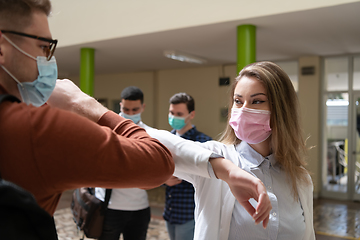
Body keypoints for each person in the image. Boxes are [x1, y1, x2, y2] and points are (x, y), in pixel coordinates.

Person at [0, 0, 175, 217]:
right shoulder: (38, 131)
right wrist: (83, 104)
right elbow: (158, 163)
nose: (47, 59)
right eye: (43, 46)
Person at [146, 61, 315, 240]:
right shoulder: (217, 159)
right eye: (238, 101)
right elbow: (147, 139)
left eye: (257, 101)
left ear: (281, 109)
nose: (243, 110)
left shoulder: (301, 179)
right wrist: (225, 169)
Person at [95, 86, 152, 240]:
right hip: (109, 207)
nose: (130, 114)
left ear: (143, 107)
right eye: (126, 109)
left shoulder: (149, 134)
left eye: (135, 110)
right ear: (120, 105)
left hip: (139, 208)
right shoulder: (106, 129)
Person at [165, 92, 212, 240]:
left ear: (191, 115)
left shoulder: (203, 142)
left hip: (189, 212)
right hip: (170, 210)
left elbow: (209, 178)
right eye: (172, 113)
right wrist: (164, 179)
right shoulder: (167, 139)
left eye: (179, 114)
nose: (174, 117)